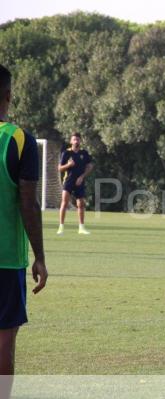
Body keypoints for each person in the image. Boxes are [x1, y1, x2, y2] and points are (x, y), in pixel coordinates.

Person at [0, 64, 48, 398]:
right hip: (6, 259)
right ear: (8, 95)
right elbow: (28, 204)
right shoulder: (19, 139)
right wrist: (40, 258)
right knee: (4, 338)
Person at [57, 132, 93, 235]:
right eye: (74, 139)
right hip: (68, 180)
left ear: (80, 141)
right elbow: (59, 168)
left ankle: (81, 228)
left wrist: (82, 177)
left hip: (79, 181)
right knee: (64, 203)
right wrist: (68, 165)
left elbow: (90, 166)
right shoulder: (66, 153)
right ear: (71, 141)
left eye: (77, 139)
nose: (76, 141)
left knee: (81, 204)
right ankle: (61, 227)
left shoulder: (84, 153)